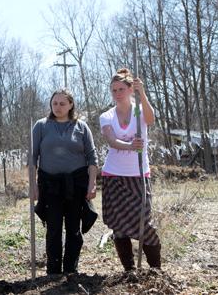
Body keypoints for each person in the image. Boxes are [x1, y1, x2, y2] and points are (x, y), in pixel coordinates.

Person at [99, 68, 161, 271]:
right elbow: (111, 140)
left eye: (121, 89)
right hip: (114, 175)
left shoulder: (139, 110)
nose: (117, 93)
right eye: (114, 90)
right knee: (119, 227)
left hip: (139, 174)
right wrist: (130, 146)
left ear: (129, 90)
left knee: (146, 224)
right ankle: (129, 271)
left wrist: (142, 93)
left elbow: (151, 120)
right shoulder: (107, 115)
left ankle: (155, 270)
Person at [32, 88, 98, 275]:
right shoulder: (41, 126)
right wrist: (33, 185)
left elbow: (92, 158)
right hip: (49, 184)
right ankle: (53, 271)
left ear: (70, 105)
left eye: (62, 104)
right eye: (54, 103)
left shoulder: (81, 127)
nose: (58, 107)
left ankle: (71, 270)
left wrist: (92, 183)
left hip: (76, 184)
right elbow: (32, 158)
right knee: (53, 229)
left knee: (73, 230)